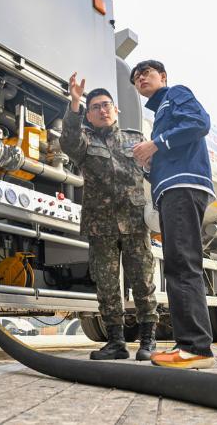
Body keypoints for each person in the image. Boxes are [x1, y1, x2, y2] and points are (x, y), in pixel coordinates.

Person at [60, 72, 158, 361]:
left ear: (117, 110)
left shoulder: (136, 140)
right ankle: (116, 343)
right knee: (106, 284)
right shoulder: (84, 142)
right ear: (88, 116)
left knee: (143, 281)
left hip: (134, 222)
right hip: (100, 225)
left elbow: (154, 171)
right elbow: (68, 141)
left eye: (106, 105)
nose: (102, 110)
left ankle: (148, 341)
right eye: (95, 107)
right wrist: (75, 102)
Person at [130, 60, 215, 369]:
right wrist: (150, 166)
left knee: (181, 266)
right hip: (171, 189)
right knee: (178, 265)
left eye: (146, 73)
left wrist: (155, 144)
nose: (140, 78)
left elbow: (199, 123)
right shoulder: (159, 114)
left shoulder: (175, 94)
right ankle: (191, 346)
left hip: (183, 187)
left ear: (163, 77)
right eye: (136, 77)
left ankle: (195, 349)